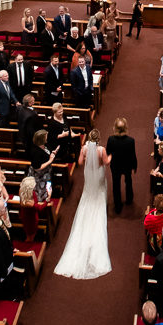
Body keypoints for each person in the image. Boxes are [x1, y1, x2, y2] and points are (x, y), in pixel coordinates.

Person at [54, 129, 112, 279]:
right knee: (99, 191)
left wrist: (87, 158)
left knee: (89, 192)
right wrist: (110, 156)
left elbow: (79, 162)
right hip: (98, 173)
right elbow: (106, 162)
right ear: (98, 139)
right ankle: (99, 204)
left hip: (88, 173)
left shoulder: (84, 148)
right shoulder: (101, 150)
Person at [106, 117, 137, 214]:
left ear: (114, 128)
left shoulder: (111, 139)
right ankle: (129, 199)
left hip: (115, 166)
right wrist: (134, 166)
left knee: (116, 184)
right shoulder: (131, 140)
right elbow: (133, 155)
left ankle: (118, 205)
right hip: (127, 165)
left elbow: (108, 152)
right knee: (128, 181)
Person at [29, 129, 58, 202]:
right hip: (39, 176)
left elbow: (47, 153)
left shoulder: (45, 146)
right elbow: (37, 168)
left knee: (48, 187)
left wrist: (53, 153)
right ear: (41, 139)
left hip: (46, 174)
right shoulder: (35, 151)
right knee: (40, 193)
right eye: (46, 137)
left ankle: (48, 197)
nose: (47, 138)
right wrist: (50, 161)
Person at [18, 175, 48, 242]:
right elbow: (40, 208)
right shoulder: (29, 201)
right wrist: (47, 200)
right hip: (31, 217)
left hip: (24, 214)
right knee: (31, 235)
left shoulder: (21, 190)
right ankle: (28, 247)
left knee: (28, 232)